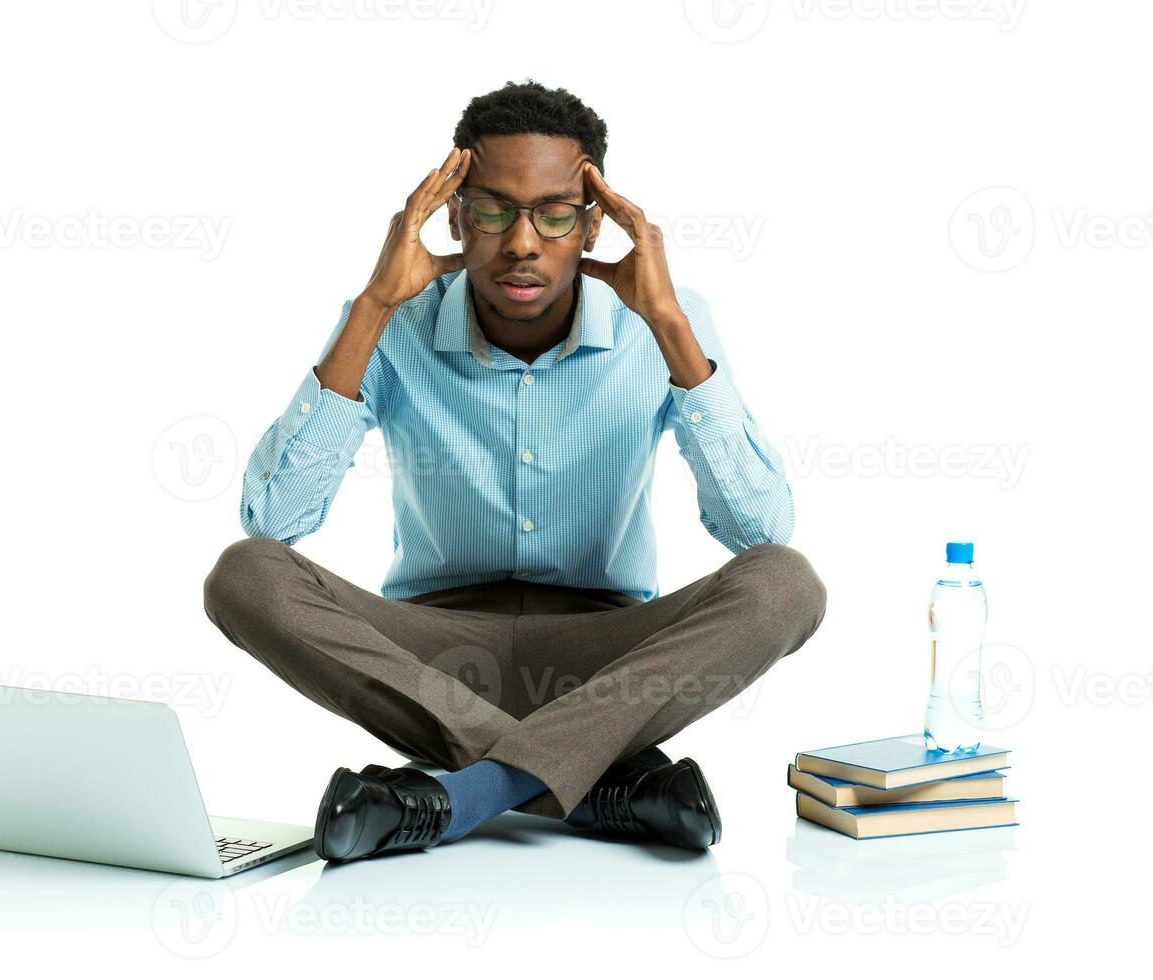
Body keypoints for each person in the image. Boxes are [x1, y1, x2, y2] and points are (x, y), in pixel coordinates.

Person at [203, 79, 826, 863]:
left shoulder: (666, 321)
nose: (521, 242)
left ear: (592, 226)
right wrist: (369, 307)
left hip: (608, 658)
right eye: (492, 209)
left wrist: (669, 327)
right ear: (453, 216)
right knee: (244, 576)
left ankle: (463, 794)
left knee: (786, 584)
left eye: (555, 214)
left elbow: (759, 532)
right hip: (429, 664)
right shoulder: (391, 322)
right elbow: (274, 523)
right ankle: (599, 783)